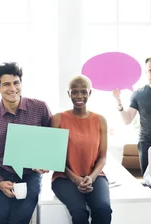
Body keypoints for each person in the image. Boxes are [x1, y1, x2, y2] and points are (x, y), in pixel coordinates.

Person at [0, 62, 52, 224]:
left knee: (19, 220)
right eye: (6, 84)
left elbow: (51, 142)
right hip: (1, 173)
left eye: (16, 83)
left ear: (21, 84)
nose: (12, 88)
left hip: (30, 175)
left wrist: (44, 161)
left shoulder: (40, 108)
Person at [50, 75, 112, 224]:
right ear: (68, 93)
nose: (79, 96)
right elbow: (55, 159)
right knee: (79, 213)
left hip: (94, 176)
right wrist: (75, 179)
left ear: (90, 93)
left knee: (103, 210)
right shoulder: (58, 119)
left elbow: (102, 157)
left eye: (83, 92)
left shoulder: (100, 120)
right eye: (74, 92)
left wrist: (91, 177)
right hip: (64, 178)